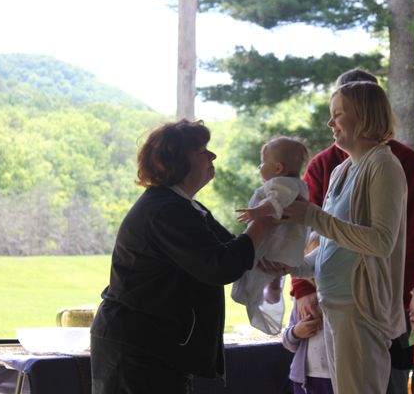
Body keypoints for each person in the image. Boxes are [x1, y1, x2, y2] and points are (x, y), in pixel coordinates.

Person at [90, 120, 275, 394]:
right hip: (139, 349)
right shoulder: (166, 210)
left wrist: (266, 261)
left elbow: (232, 250)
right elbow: (219, 265)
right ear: (176, 160)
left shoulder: (184, 206)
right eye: (202, 150)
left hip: (157, 345)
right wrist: (263, 222)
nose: (212, 156)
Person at [291, 68, 414, 394]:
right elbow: (327, 245)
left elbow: (381, 242)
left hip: (363, 310)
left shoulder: (385, 164)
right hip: (336, 307)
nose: (331, 124)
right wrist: (290, 265)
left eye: (338, 115)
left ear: (365, 117)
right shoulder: (340, 169)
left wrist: (312, 215)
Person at [232, 136, 310, 335]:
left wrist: (256, 212)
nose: (259, 168)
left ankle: (262, 295)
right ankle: (272, 289)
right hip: (286, 246)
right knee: (268, 270)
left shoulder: (283, 184)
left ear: (277, 168)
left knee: (260, 268)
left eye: (262, 163)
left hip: (279, 240)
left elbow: (276, 202)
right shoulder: (293, 184)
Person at [282, 284, 334, 394]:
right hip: (306, 380)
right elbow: (287, 342)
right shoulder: (303, 299)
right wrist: (296, 332)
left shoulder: (343, 296)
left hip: (339, 377)